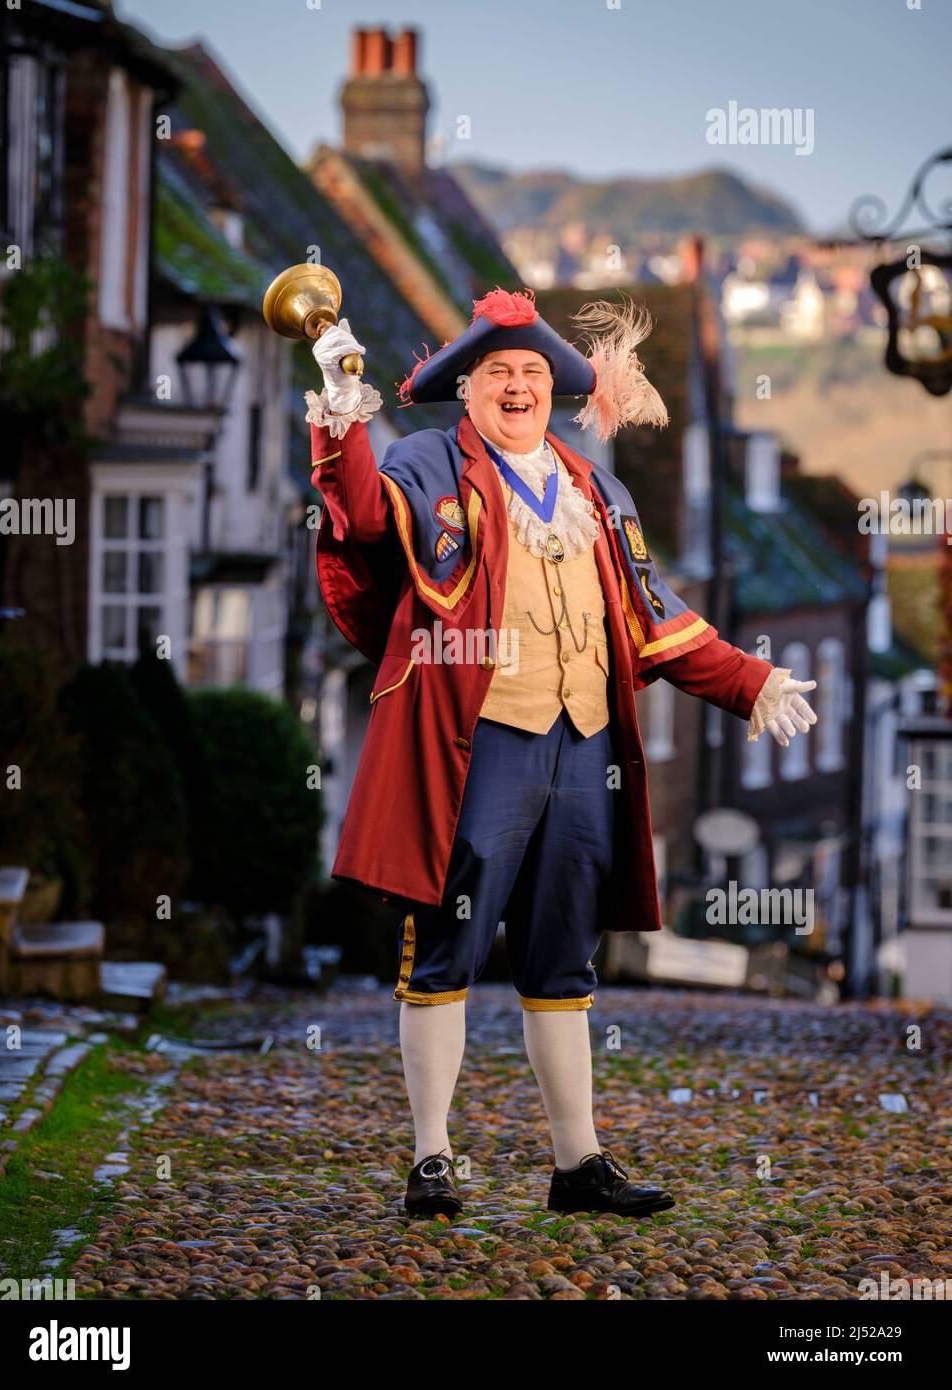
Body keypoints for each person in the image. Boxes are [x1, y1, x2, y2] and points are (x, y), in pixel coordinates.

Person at [305, 287, 817, 1219]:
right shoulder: (428, 464)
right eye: (496, 371)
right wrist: (340, 418)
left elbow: (656, 619)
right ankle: (430, 1157)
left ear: (553, 391)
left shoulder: (593, 488)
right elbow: (365, 519)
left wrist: (754, 680)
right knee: (446, 950)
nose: (515, 387)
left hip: (584, 747)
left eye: (532, 373)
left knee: (563, 961)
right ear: (465, 389)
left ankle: (576, 1164)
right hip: (480, 744)